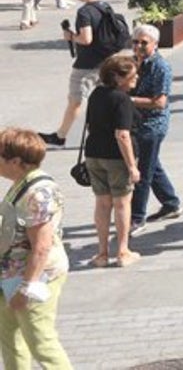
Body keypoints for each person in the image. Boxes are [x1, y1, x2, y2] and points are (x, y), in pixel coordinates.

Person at [0, 128, 72, 368]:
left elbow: (41, 247)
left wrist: (27, 288)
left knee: (41, 343)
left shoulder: (38, 193)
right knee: (11, 339)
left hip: (35, 277)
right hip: (11, 275)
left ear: (16, 161)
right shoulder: (21, 182)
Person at [40, 0, 117, 147]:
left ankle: (60, 136)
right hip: (107, 61)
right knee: (101, 99)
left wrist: (71, 36)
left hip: (87, 64)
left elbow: (86, 38)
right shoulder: (105, 7)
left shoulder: (85, 12)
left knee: (75, 100)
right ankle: (102, 134)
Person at [83, 54, 141, 268]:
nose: (136, 77)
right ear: (118, 77)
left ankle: (102, 253)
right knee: (122, 203)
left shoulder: (96, 94)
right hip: (116, 158)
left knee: (102, 202)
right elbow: (122, 134)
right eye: (133, 74)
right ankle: (123, 251)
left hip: (94, 154)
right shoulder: (122, 99)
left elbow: (90, 126)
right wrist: (132, 166)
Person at [128, 26, 181, 235]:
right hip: (137, 122)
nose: (138, 46)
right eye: (135, 42)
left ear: (155, 44)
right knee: (152, 164)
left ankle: (137, 218)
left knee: (143, 172)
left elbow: (160, 102)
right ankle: (171, 203)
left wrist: (129, 100)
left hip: (153, 125)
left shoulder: (161, 67)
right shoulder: (133, 63)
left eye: (144, 43)